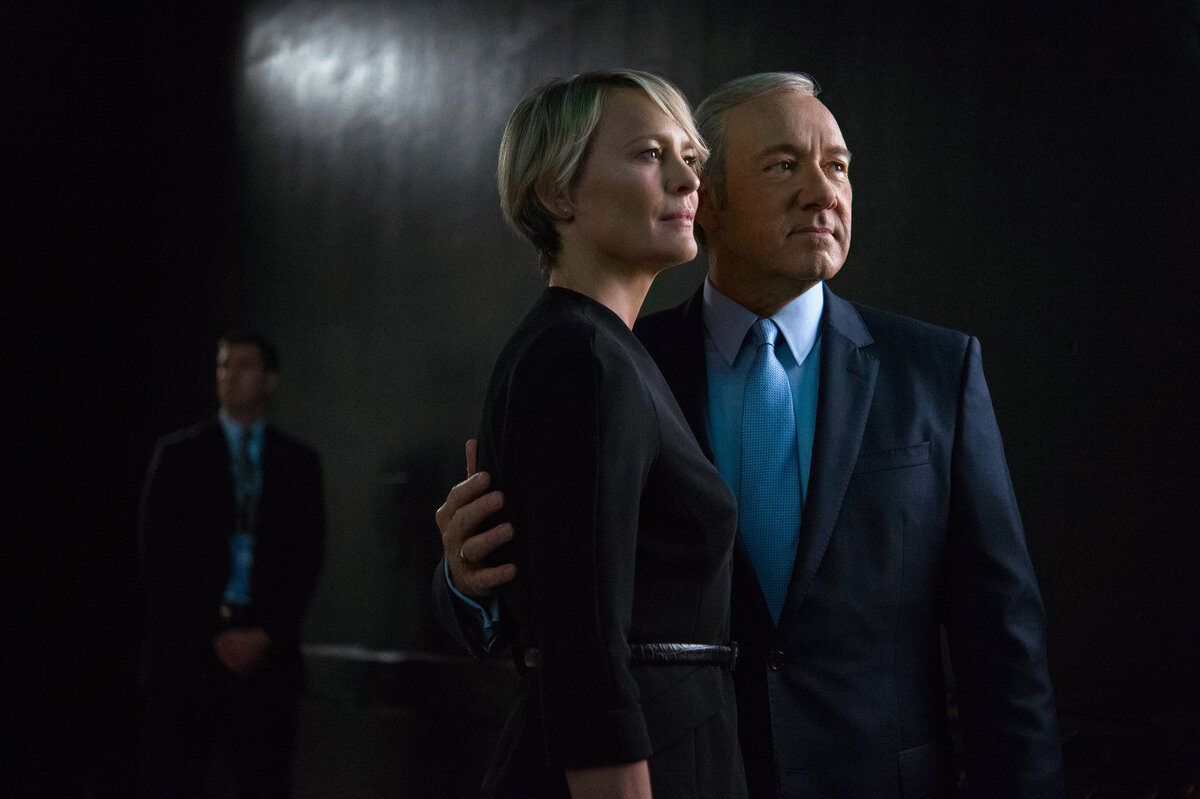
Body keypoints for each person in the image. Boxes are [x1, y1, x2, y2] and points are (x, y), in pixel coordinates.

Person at [434, 72, 1064, 797]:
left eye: (838, 167)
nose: (823, 192)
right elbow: (572, 613)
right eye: (783, 165)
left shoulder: (935, 371)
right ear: (709, 201)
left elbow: (1002, 637)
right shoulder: (619, 365)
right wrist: (467, 580)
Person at [458, 70, 746, 799]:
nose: (689, 180)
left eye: (692, 157)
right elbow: (581, 642)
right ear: (558, 193)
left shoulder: (602, 350)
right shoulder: (581, 357)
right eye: (651, 154)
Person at [138, 331, 326, 798]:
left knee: (265, 782)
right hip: (187, 657)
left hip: (268, 663)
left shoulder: (298, 463)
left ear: (270, 380)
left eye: (244, 365)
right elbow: (158, 557)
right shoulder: (179, 456)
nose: (230, 375)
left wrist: (263, 634)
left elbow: (306, 559)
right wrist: (212, 633)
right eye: (223, 364)